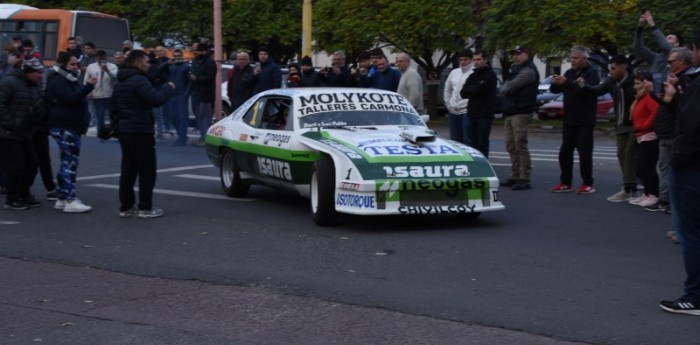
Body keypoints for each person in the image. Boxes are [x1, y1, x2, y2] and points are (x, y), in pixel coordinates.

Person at [658, 27, 700, 316]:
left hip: (692, 166)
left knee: (691, 232)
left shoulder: (695, 82)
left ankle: (694, 295)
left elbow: (689, 128)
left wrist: (678, 160)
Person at [112, 49, 175, 219]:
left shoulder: (120, 81)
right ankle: (145, 207)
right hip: (140, 130)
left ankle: (126, 207)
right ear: (138, 62)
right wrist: (167, 89)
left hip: (125, 129)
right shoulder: (139, 81)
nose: (148, 65)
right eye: (146, 62)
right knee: (147, 170)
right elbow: (155, 100)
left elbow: (113, 107)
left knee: (128, 170)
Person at [47, 52, 97, 213]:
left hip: (70, 125)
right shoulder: (59, 81)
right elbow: (69, 99)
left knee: (66, 161)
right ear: (63, 65)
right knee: (70, 162)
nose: (77, 67)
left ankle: (62, 197)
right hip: (65, 125)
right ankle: (70, 199)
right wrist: (88, 87)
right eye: (73, 64)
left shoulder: (68, 79)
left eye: (77, 64)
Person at [645, 47, 693, 213]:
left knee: (670, 169)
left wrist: (673, 91)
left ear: (682, 61)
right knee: (666, 168)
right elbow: (668, 102)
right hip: (667, 129)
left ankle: (669, 201)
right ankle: (668, 200)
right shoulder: (676, 78)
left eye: (672, 61)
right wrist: (653, 93)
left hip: (674, 131)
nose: (668, 64)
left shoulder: (686, 79)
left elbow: (681, 107)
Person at [549, 46, 601, 194]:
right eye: (571, 58)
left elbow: (584, 93)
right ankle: (565, 182)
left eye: (576, 58)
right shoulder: (569, 73)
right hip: (569, 119)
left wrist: (566, 83)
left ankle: (587, 183)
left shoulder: (592, 74)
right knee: (565, 152)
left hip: (584, 120)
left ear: (585, 59)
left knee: (584, 153)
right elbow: (557, 90)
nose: (572, 61)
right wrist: (556, 83)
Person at [588, 56, 637, 202]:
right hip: (620, 123)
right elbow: (596, 91)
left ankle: (629, 188)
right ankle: (630, 186)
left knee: (630, 154)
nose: (611, 72)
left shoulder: (634, 79)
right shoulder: (611, 82)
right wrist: (582, 86)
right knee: (621, 154)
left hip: (635, 124)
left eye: (613, 69)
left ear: (624, 68)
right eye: (610, 69)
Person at [0, 57, 44, 210]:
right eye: (38, 72)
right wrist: (9, 123)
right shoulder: (9, 82)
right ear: (28, 72)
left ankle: (24, 194)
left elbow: (36, 107)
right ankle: (12, 199)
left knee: (32, 164)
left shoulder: (33, 86)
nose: (40, 75)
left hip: (25, 132)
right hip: (8, 133)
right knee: (16, 166)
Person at [499, 45, 539, 191]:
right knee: (510, 145)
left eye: (518, 54)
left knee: (520, 144)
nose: (515, 56)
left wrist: (506, 88)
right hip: (511, 111)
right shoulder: (515, 70)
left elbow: (508, 87)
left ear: (527, 54)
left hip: (521, 112)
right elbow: (506, 86)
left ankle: (524, 177)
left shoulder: (528, 71)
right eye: (513, 54)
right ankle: (515, 175)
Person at [628, 72, 660, 207]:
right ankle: (647, 193)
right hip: (642, 136)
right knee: (642, 166)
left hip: (649, 136)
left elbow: (655, 113)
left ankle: (653, 195)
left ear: (646, 83)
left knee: (648, 167)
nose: (635, 87)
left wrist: (644, 125)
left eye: (638, 83)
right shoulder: (641, 98)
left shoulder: (649, 97)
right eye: (635, 83)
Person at [460, 49, 497, 157]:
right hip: (472, 113)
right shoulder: (472, 76)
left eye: (479, 59)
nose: (476, 62)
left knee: (482, 142)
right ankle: (475, 165)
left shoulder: (490, 75)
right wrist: (475, 88)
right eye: (474, 59)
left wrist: (473, 89)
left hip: (484, 114)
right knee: (472, 143)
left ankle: (484, 165)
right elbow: (463, 93)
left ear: (485, 60)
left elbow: (482, 89)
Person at [634, 10, 682, 94]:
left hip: (670, 97)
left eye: (670, 38)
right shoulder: (656, 57)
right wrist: (640, 27)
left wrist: (652, 24)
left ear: (677, 44)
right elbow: (638, 48)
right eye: (665, 38)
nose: (666, 39)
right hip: (655, 97)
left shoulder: (679, 56)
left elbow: (665, 46)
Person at [444, 49, 473, 145]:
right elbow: (447, 89)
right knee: (454, 141)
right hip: (453, 111)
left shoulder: (473, 73)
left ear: (471, 60)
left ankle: (468, 160)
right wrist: (448, 105)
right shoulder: (454, 72)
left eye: (465, 60)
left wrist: (468, 107)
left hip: (466, 112)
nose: (463, 62)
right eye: (461, 60)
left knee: (467, 140)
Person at [84, 50, 118, 132]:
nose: (101, 60)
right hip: (97, 95)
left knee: (111, 115)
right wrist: (88, 91)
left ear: (106, 57)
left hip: (110, 94)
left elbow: (116, 78)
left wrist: (107, 71)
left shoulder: (113, 66)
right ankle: (101, 133)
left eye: (103, 58)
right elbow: (86, 80)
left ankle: (113, 132)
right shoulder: (91, 67)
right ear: (96, 58)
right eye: (99, 59)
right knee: (100, 115)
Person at [190, 42, 216, 146]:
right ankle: (202, 136)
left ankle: (206, 138)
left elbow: (210, 78)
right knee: (199, 117)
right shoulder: (196, 61)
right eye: (198, 50)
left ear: (205, 51)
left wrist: (197, 78)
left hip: (206, 94)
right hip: (197, 93)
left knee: (205, 117)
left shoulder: (210, 62)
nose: (199, 52)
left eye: (201, 50)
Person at [163, 49, 192, 146]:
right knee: (172, 116)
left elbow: (190, 82)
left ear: (182, 56)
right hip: (172, 95)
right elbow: (160, 70)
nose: (177, 58)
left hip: (181, 95)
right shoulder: (171, 66)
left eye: (179, 56)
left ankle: (182, 138)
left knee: (182, 117)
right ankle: (181, 135)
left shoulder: (186, 67)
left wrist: (186, 94)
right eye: (175, 56)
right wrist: (167, 63)